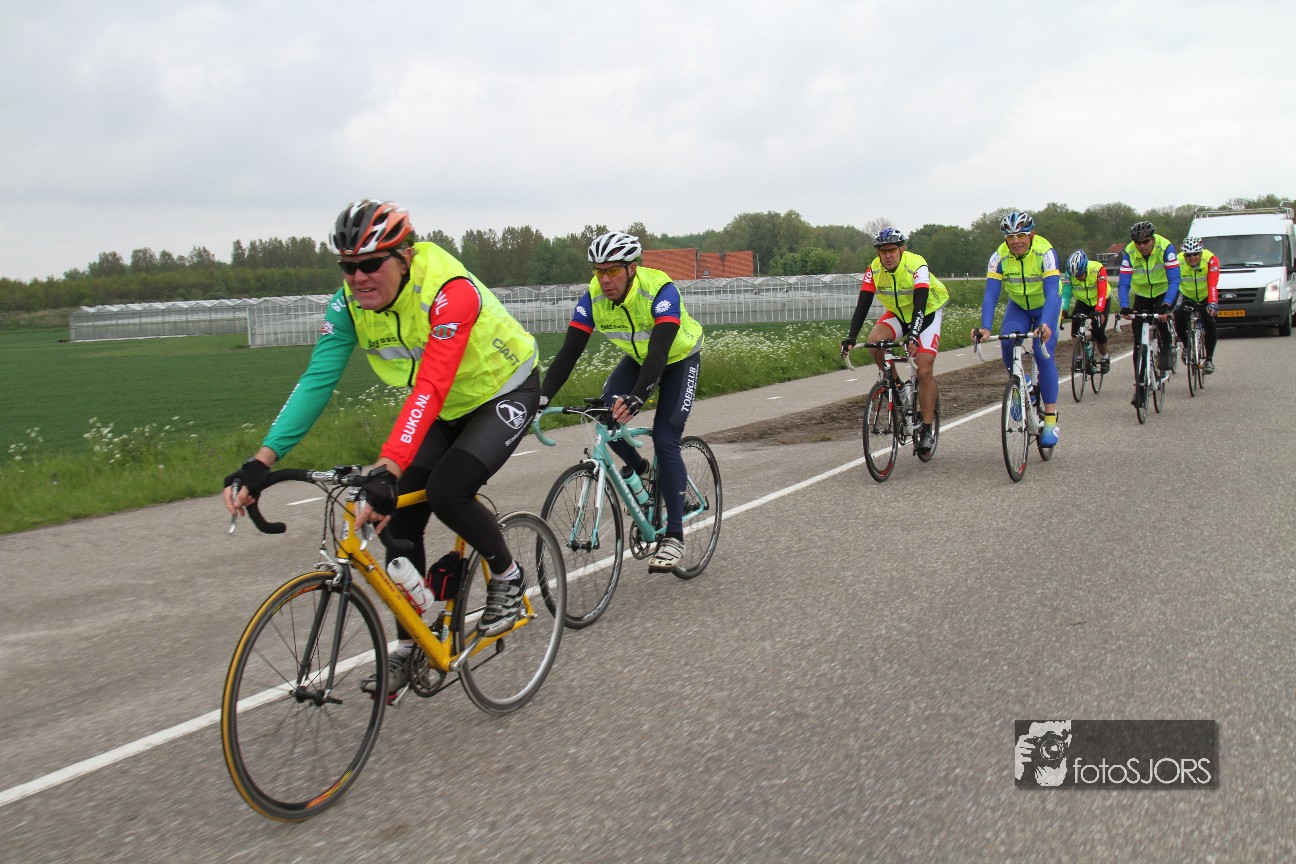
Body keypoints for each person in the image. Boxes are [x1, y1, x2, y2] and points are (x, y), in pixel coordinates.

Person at [222, 199, 541, 695]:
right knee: (397, 522)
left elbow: (430, 383)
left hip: (502, 392)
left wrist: (389, 466)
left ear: (405, 256)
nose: (358, 277)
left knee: (448, 490)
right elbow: (316, 380)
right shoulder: (348, 304)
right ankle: (410, 646)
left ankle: (508, 575)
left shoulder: (448, 291)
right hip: (443, 407)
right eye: (347, 266)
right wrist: (262, 461)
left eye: (371, 264)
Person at [539, 231, 703, 572]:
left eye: (612, 270)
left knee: (665, 438)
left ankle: (674, 536)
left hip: (678, 359)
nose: (605, 279)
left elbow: (659, 353)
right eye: (599, 271)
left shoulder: (660, 290)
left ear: (632, 268)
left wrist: (638, 397)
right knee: (606, 417)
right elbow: (569, 352)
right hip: (639, 359)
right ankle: (642, 471)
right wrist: (540, 398)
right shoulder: (593, 296)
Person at [839, 227, 949, 456]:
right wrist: (851, 336)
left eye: (891, 250)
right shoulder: (874, 269)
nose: (887, 255)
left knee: (924, 369)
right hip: (899, 314)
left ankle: (926, 428)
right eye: (883, 251)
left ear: (902, 249)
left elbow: (921, 304)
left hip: (927, 312)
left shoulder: (916, 265)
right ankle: (898, 386)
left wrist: (914, 336)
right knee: (874, 342)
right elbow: (863, 304)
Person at [972, 211, 1063, 446]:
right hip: (1019, 306)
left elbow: (1052, 292)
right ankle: (1024, 386)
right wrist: (985, 327)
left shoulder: (1046, 252)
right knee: (1007, 341)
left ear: (1032, 235)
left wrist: (1046, 323)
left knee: (1043, 352)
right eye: (1010, 237)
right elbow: (990, 295)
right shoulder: (998, 257)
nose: (1016, 241)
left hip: (1047, 306)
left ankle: (1050, 418)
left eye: (1021, 235)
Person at [1117, 220, 1181, 402]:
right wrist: (1124, 305)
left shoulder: (1165, 247)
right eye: (1138, 243)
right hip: (1142, 294)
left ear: (1153, 239)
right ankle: (1140, 386)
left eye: (1146, 242)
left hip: (1164, 291)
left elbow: (1175, 280)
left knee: (1161, 319)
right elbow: (1123, 283)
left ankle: (1167, 346)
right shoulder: (1129, 252)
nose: (1142, 246)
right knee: (1138, 344)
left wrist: (1167, 304)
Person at [1061, 250, 1112, 373]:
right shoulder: (1069, 274)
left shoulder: (1098, 269)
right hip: (1083, 301)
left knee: (1098, 330)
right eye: (1075, 276)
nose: (1078, 278)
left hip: (1101, 300)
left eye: (1080, 274)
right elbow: (1066, 294)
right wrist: (1063, 310)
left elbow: (1102, 292)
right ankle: (1079, 357)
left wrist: (1099, 311)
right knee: (1075, 329)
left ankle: (1105, 357)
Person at [1174, 235, 1219, 374]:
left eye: (1195, 254)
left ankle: (1209, 360)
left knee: (1209, 322)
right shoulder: (1177, 261)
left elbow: (1212, 283)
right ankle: (1187, 346)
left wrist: (1212, 302)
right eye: (1188, 255)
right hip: (1186, 295)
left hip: (1205, 296)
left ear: (1201, 252)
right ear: (1184, 255)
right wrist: (1173, 303)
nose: (1192, 258)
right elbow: (1174, 283)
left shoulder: (1211, 259)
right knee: (1179, 318)